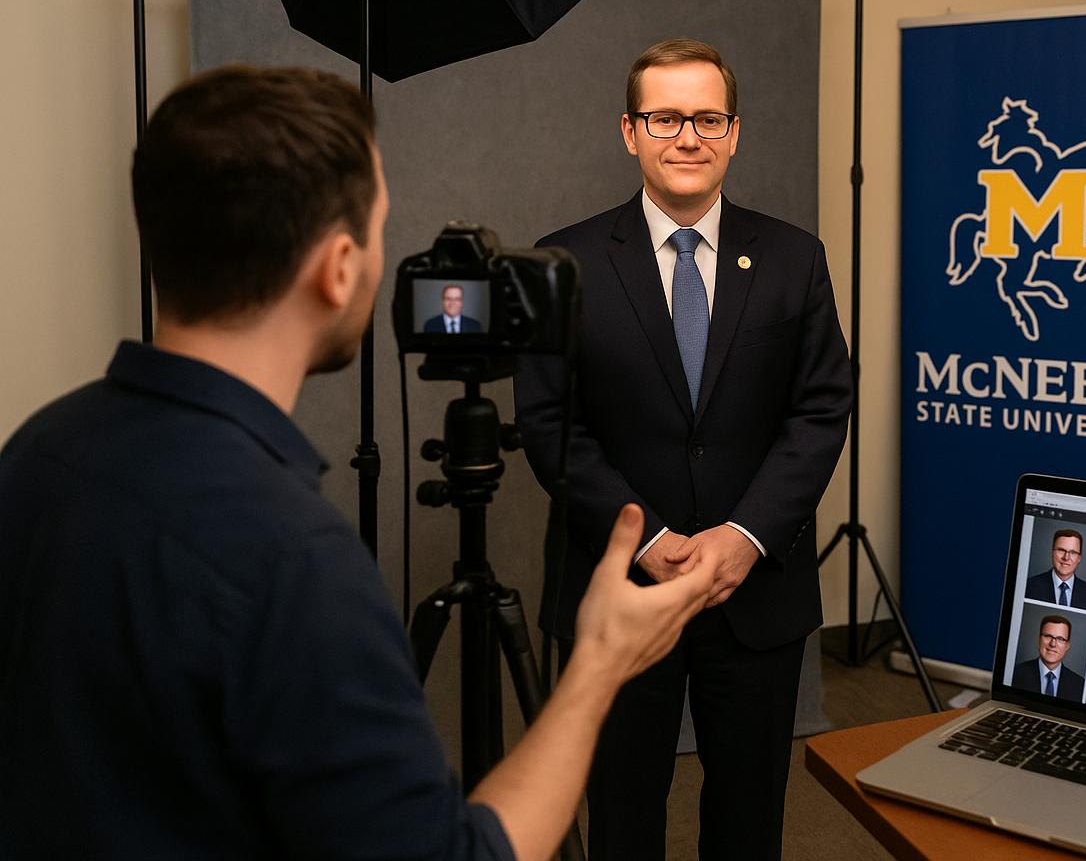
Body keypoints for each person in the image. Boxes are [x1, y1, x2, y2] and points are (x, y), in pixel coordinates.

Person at [0, 65, 722, 861]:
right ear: (339, 267)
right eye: (380, 229)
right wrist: (597, 667)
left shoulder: (37, 450)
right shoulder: (291, 558)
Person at [513, 39, 853, 861]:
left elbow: (821, 409)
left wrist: (743, 537)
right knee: (622, 814)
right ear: (629, 131)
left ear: (734, 133)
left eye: (707, 118)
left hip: (756, 588)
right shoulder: (564, 263)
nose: (687, 137)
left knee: (749, 816)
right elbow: (551, 423)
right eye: (666, 117)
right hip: (621, 583)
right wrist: (656, 540)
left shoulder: (794, 258)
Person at [1024, 528, 1086, 609]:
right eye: (1061, 550)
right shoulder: (1030, 586)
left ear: (1079, 557)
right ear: (1052, 552)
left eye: (1073, 552)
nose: (1066, 557)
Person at [1015, 615, 1084, 699]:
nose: (1053, 644)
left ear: (1067, 645)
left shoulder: (1079, 684)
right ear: (1039, 640)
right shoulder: (1017, 673)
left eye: (1060, 639)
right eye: (1048, 636)